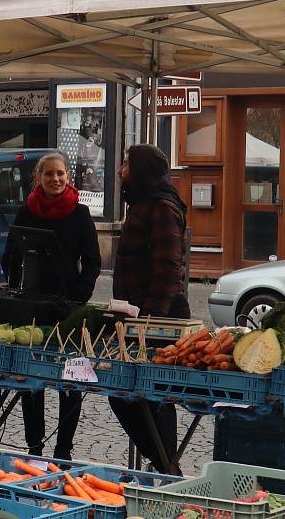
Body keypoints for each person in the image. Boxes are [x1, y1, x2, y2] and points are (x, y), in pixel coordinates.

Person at [1, 151, 101, 459]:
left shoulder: (80, 213)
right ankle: (34, 446)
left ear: (68, 177)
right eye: (49, 174)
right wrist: (16, 285)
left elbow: (93, 262)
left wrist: (79, 298)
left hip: (68, 309)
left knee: (70, 378)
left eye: (60, 173)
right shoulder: (26, 212)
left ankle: (63, 449)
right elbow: (10, 255)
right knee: (31, 380)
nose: (55, 179)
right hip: (31, 307)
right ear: (38, 178)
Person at [108, 143, 190, 473]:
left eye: (126, 164)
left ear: (140, 170)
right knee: (130, 395)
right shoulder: (143, 203)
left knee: (147, 397)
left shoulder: (160, 207)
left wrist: (147, 322)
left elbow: (169, 270)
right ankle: (166, 467)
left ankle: (167, 469)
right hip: (138, 318)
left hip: (159, 320)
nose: (120, 170)